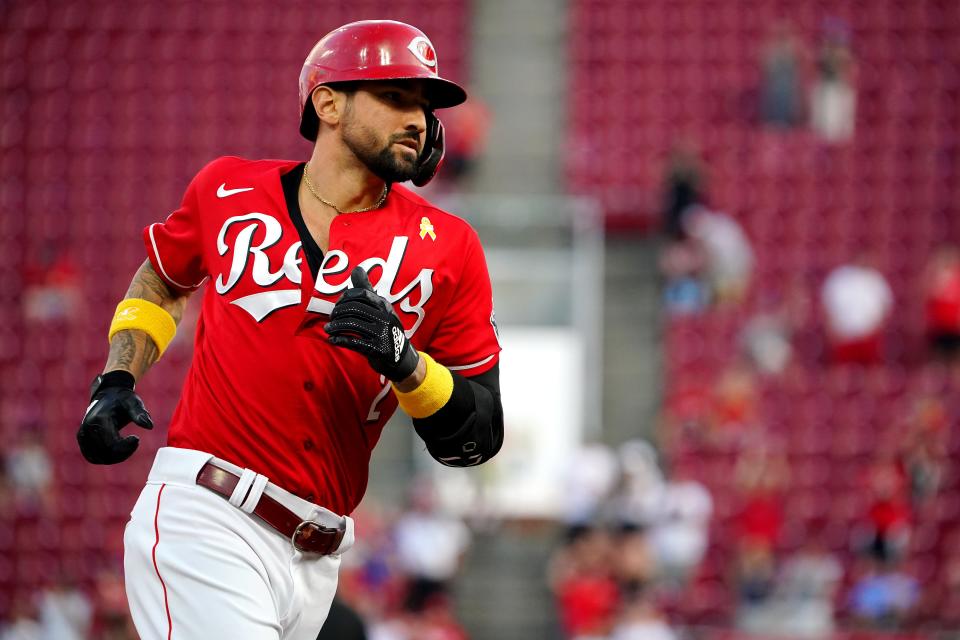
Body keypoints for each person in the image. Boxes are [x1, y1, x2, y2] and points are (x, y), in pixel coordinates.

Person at [75, 20, 504, 640]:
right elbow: (163, 276)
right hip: (209, 515)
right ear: (326, 102)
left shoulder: (452, 247)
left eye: (425, 104)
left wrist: (407, 364)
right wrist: (117, 376)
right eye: (395, 97)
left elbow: (477, 435)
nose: (418, 118)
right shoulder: (227, 188)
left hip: (318, 559)